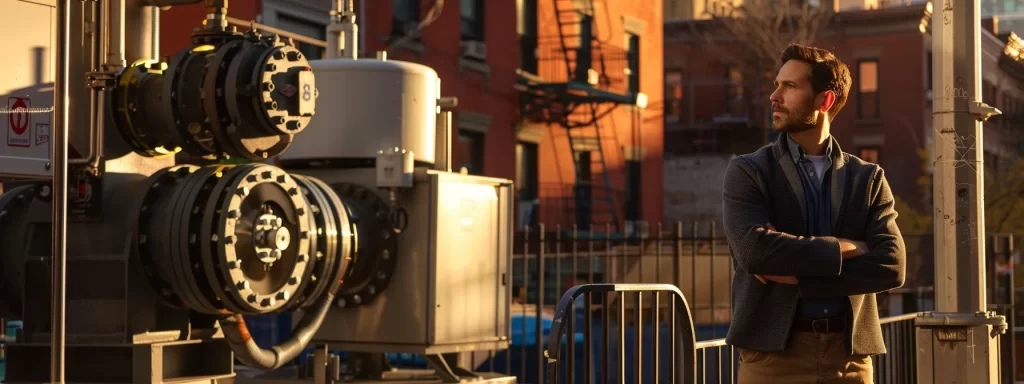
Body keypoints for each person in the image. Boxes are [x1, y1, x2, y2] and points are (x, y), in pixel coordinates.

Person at [721, 44, 907, 384]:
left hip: (849, 360)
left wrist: (797, 274)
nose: (774, 96)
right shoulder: (749, 171)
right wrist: (846, 247)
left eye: (789, 86)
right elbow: (755, 252)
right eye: (777, 84)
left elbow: (892, 266)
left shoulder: (867, 178)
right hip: (772, 360)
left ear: (825, 101)